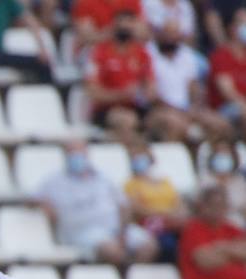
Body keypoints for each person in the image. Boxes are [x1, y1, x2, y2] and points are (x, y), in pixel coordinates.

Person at [36, 141, 158, 265]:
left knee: (148, 246)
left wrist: (123, 232)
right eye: (72, 153)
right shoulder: (54, 181)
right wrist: (44, 206)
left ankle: (131, 278)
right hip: (82, 233)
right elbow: (32, 199)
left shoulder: (103, 178)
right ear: (65, 155)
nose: (76, 157)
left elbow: (123, 205)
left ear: (87, 154)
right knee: (111, 250)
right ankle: (120, 276)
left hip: (114, 229)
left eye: (80, 152)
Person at [148, 19, 232, 143]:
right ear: (159, 34)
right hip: (160, 109)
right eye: (167, 33)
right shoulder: (149, 54)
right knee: (175, 124)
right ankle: (175, 160)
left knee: (219, 124)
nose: (171, 37)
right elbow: (151, 94)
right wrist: (177, 111)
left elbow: (194, 86)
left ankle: (211, 160)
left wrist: (194, 107)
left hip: (187, 108)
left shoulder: (187, 56)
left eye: (174, 33)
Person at [84, 11, 160, 142]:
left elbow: (151, 87)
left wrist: (147, 92)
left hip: (136, 106)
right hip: (106, 110)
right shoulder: (99, 53)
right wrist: (121, 94)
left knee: (165, 122)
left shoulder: (142, 53)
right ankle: (135, 158)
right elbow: (92, 92)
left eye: (129, 24)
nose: (125, 28)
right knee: (127, 120)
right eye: (121, 25)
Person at [177, 185, 246, 279]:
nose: (218, 209)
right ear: (202, 206)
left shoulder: (231, 229)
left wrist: (222, 248)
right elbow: (206, 262)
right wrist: (234, 253)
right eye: (213, 205)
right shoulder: (193, 229)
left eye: (222, 205)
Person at [124, 141, 187, 261]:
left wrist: (173, 215)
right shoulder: (130, 184)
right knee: (168, 243)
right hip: (149, 223)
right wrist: (162, 214)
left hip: (171, 221)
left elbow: (178, 202)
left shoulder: (165, 182)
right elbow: (136, 208)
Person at [209, 9, 246, 133]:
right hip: (225, 109)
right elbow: (227, 92)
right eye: (243, 23)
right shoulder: (221, 56)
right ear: (232, 28)